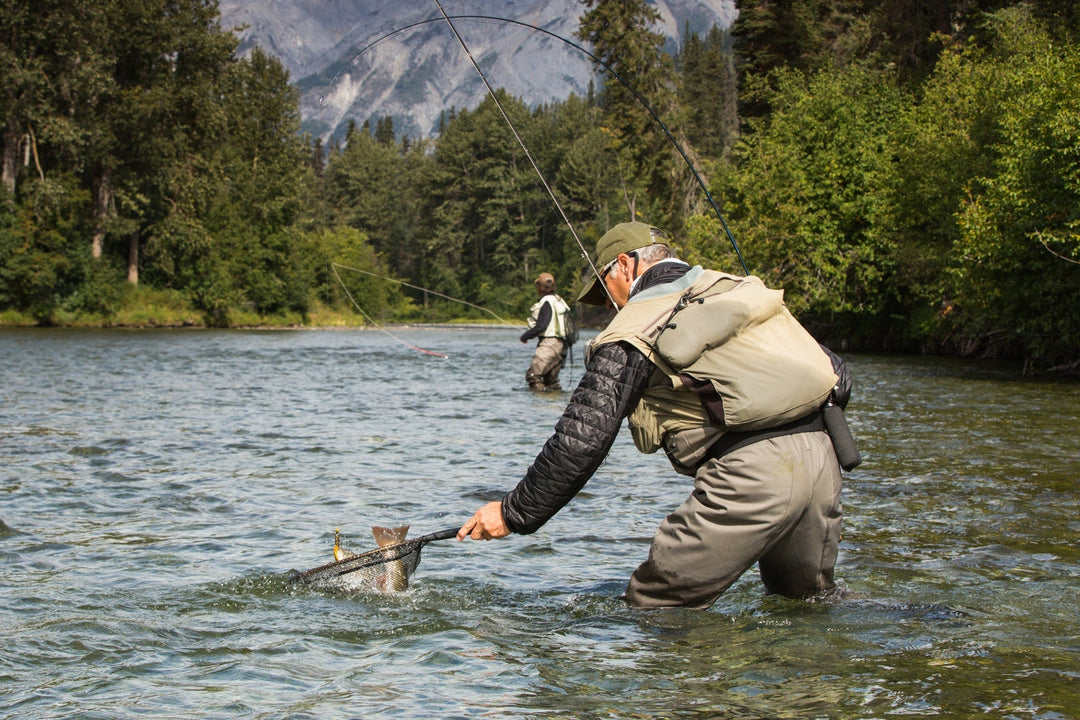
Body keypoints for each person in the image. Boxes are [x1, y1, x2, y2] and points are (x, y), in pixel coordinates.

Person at [458, 221, 855, 609]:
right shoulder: (740, 290)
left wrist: (513, 512)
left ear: (626, 266)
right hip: (824, 460)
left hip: (753, 477)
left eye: (606, 286)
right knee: (808, 607)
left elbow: (581, 440)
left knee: (654, 607)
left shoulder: (632, 328)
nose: (612, 302)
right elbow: (837, 374)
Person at [519, 272, 572, 392]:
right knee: (550, 380)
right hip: (562, 345)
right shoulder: (560, 300)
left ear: (540, 287)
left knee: (533, 376)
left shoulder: (547, 302)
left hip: (549, 343)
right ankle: (553, 404)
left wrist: (525, 336)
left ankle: (537, 407)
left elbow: (541, 326)